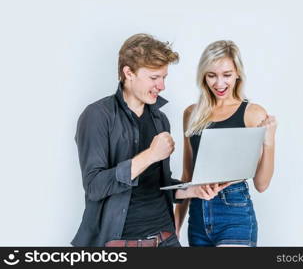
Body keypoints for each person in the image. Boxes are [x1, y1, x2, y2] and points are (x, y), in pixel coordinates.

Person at [71, 33, 230, 247]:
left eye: (164, 77)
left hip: (166, 240)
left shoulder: (159, 119)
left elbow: (159, 185)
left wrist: (191, 190)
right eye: (154, 78)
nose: (162, 86)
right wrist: (150, 156)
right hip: (119, 243)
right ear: (128, 73)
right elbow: (94, 186)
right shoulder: (97, 116)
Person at [174, 40, 277, 247]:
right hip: (197, 216)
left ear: (238, 73)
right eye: (212, 75)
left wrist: (269, 142)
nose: (219, 84)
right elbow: (187, 176)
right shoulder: (191, 114)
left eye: (227, 75)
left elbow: (262, 184)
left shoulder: (253, 114)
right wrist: (175, 228)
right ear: (203, 76)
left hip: (234, 212)